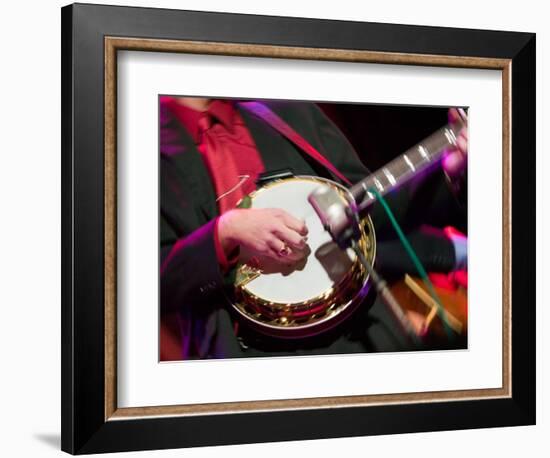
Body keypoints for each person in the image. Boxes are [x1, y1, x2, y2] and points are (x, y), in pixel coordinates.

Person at [159, 96, 468, 360]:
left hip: (364, 331)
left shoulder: (286, 110)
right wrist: (223, 234)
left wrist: (446, 171)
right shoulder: (140, 151)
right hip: (253, 361)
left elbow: (372, 214)